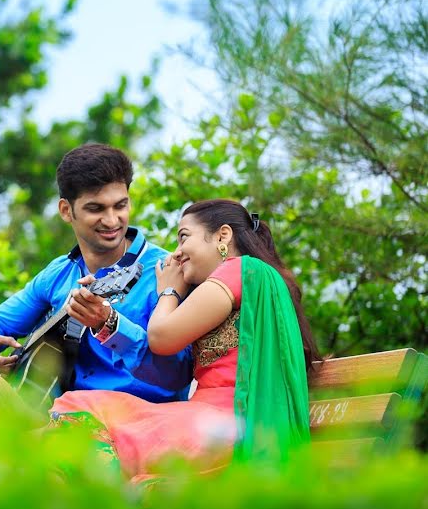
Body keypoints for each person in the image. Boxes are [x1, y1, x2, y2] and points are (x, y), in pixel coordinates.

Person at [0, 143, 194, 468]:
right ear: (67, 211)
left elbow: (178, 372)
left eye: (120, 205)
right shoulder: (59, 273)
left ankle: (3, 469)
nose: (112, 219)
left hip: (129, 425)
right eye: (96, 209)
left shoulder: (166, 270)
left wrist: (110, 324)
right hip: (60, 418)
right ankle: (10, 461)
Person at [49, 199, 321, 480]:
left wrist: (168, 291)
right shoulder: (254, 284)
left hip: (217, 429)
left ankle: (99, 501)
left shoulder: (237, 269)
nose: (176, 254)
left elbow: (160, 338)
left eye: (183, 238)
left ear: (222, 236)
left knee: (78, 407)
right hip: (220, 431)